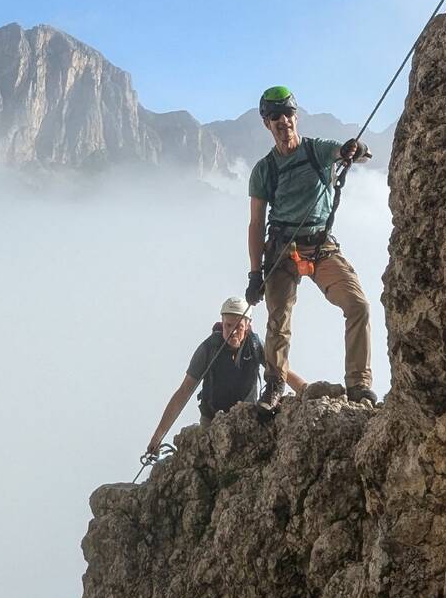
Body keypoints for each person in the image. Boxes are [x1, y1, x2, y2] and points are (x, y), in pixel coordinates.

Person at [244, 85, 377, 410]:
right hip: (282, 248)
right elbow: (256, 223)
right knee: (278, 320)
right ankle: (275, 384)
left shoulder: (317, 150)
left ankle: (358, 384)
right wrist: (254, 272)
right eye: (274, 116)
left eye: (287, 114)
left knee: (357, 305)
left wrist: (353, 149)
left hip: (320, 245)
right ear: (267, 123)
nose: (282, 121)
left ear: (295, 116)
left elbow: (351, 152)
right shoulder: (265, 170)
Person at [145, 296, 308, 456]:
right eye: (228, 325)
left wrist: (307, 390)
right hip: (212, 422)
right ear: (222, 323)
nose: (232, 332)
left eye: (239, 327)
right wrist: (158, 436)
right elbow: (184, 392)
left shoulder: (255, 345)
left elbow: (282, 373)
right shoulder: (208, 349)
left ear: (248, 326)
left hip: (247, 419)